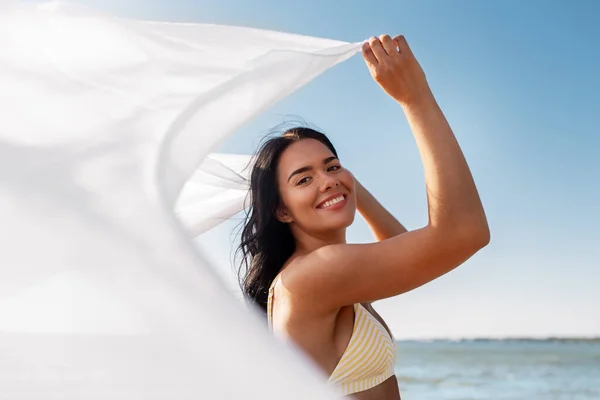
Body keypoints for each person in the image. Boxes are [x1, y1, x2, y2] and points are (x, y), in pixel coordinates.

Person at [236, 34, 490, 399]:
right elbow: (465, 232)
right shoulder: (316, 273)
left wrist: (341, 185)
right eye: (304, 178)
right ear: (281, 209)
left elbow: (399, 244)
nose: (325, 180)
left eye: (332, 165)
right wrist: (415, 98)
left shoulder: (326, 272)